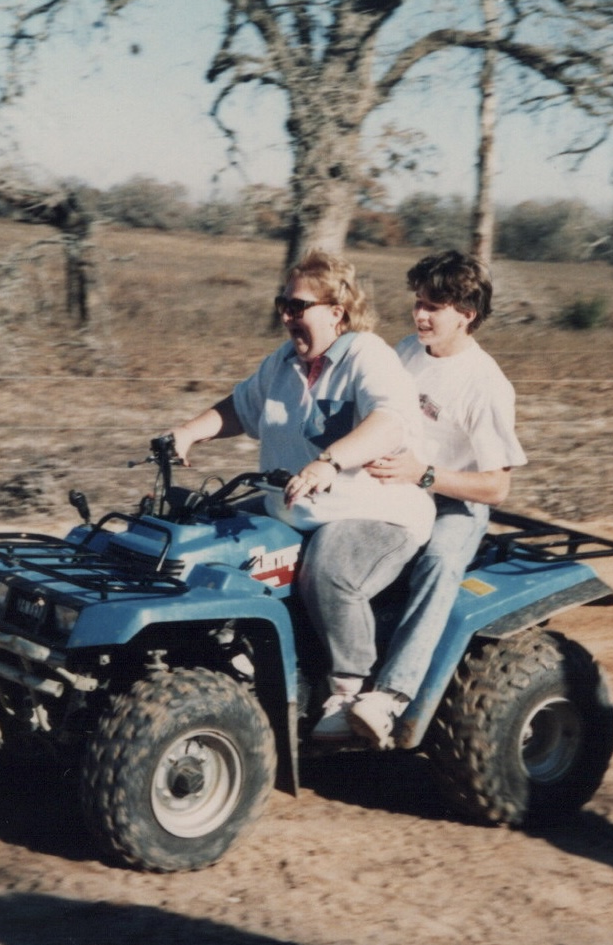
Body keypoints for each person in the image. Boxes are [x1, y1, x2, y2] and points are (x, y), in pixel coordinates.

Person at [168, 249, 435, 740]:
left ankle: (348, 693)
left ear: (337, 312)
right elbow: (241, 407)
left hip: (375, 509)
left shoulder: (366, 356)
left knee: (329, 569)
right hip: (296, 503)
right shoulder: (284, 363)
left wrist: (331, 461)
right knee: (203, 537)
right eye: (283, 305)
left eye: (298, 306)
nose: (287, 316)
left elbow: (389, 421)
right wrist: (188, 432)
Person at [331, 248, 527, 748]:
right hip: (393, 483)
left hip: (452, 499)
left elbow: (496, 486)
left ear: (467, 314)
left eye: (433, 307)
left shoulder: (485, 384)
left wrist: (424, 476)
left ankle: (391, 696)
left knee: (439, 562)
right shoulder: (404, 352)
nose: (420, 315)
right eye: (418, 302)